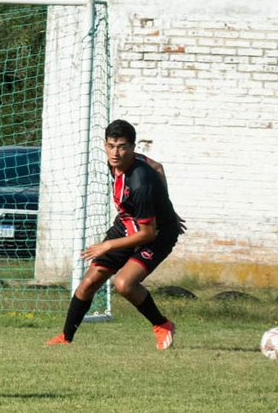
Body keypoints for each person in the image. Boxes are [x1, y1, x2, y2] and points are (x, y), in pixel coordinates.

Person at [47, 119, 181, 348]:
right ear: (105, 144)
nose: (115, 153)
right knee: (89, 282)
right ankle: (65, 338)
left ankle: (162, 325)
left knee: (124, 284)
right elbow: (159, 167)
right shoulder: (115, 162)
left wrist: (107, 245)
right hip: (127, 225)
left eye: (122, 147)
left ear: (132, 147)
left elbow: (147, 234)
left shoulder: (140, 183)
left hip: (157, 235)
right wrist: (167, 207)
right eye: (111, 146)